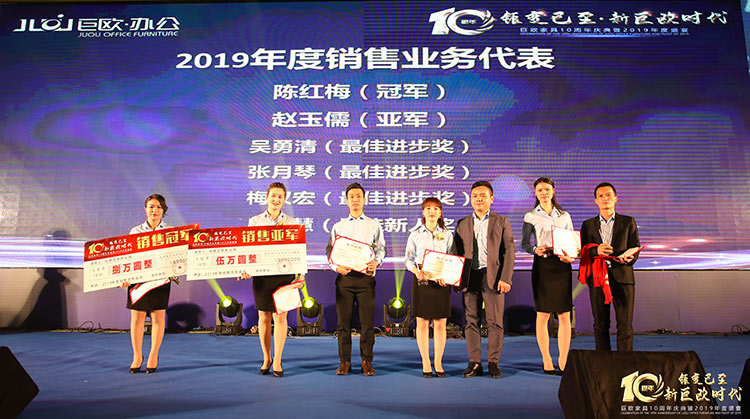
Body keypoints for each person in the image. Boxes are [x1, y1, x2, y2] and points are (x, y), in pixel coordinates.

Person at [239, 182, 303, 377]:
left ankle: (278, 359)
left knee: (281, 317)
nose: (276, 200)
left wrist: (301, 274)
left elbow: (298, 250)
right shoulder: (255, 221)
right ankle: (266, 357)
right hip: (262, 275)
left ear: (284, 200)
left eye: (280, 197)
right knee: (264, 317)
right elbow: (248, 248)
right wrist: (245, 269)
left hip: (284, 274)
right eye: (273, 196)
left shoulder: (292, 222)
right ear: (266, 197)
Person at [454, 181, 515, 379]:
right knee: (471, 321)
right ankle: (474, 362)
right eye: (475, 196)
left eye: (483, 195)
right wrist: (456, 279)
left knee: (494, 322)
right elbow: (457, 253)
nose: (478, 199)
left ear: (491, 199)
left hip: (494, 277)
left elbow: (509, 251)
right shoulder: (462, 223)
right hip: (470, 276)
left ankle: (493, 362)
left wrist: (506, 278)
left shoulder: (501, 221)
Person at [325, 183, 386, 376]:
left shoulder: (374, 225)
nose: (355, 200)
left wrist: (377, 261)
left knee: (367, 324)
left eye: (359, 196)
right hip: (344, 279)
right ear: (346, 201)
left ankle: (367, 361)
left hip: (366, 279)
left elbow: (381, 249)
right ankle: (344, 362)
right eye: (351, 196)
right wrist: (336, 267)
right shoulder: (338, 226)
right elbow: (330, 252)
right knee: (343, 324)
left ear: (364, 200)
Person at [521, 177, 574, 374]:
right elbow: (525, 243)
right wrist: (535, 249)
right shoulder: (530, 216)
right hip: (542, 265)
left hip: (561, 265)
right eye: (540, 190)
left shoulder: (564, 215)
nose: (544, 193)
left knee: (564, 314)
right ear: (535, 193)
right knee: (542, 314)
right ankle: (546, 359)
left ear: (553, 191)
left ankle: (563, 358)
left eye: (547, 189)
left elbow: (571, 241)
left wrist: (571, 256)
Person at [580, 182, 640, 351]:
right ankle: (603, 360)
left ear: (615, 198)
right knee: (600, 323)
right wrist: (596, 250)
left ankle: (624, 360)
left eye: (608, 195)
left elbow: (635, 246)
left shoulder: (628, 221)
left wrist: (629, 258)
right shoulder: (588, 225)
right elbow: (584, 251)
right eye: (600, 196)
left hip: (623, 277)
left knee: (625, 324)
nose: (605, 198)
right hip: (598, 278)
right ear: (596, 201)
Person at [121, 194, 172, 374]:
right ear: (145, 209)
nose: (154, 210)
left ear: (163, 210)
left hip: (160, 280)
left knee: (158, 318)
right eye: (151, 207)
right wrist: (124, 277)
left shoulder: (171, 232)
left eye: (158, 207)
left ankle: (153, 355)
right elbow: (128, 257)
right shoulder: (135, 231)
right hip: (138, 281)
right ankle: (137, 356)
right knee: (137, 319)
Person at [404, 197, 454, 378]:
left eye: (436, 209)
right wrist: (416, 272)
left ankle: (438, 362)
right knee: (422, 323)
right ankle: (425, 361)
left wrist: (447, 276)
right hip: (422, 281)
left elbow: (452, 258)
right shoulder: (415, 235)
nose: (432, 211)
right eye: (428, 208)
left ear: (440, 213)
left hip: (441, 282)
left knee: (440, 324)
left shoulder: (447, 235)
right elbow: (408, 259)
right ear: (423, 212)